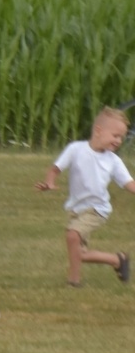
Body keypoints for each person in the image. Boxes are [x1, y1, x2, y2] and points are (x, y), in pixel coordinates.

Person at [35, 106, 133, 287]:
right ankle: (117, 260)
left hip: (98, 209)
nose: (119, 141)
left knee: (72, 235)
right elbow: (55, 169)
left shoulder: (113, 161)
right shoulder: (76, 149)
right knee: (79, 253)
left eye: (121, 137)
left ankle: (74, 281)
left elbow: (129, 183)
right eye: (115, 136)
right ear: (98, 130)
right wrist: (49, 182)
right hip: (76, 209)